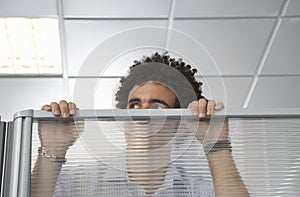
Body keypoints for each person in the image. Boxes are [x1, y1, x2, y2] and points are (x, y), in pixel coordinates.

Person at [32, 52, 249, 196]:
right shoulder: (77, 184)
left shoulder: (200, 191)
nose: (142, 115)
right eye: (135, 105)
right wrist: (52, 151)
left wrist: (217, 145)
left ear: (180, 124)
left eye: (157, 107)